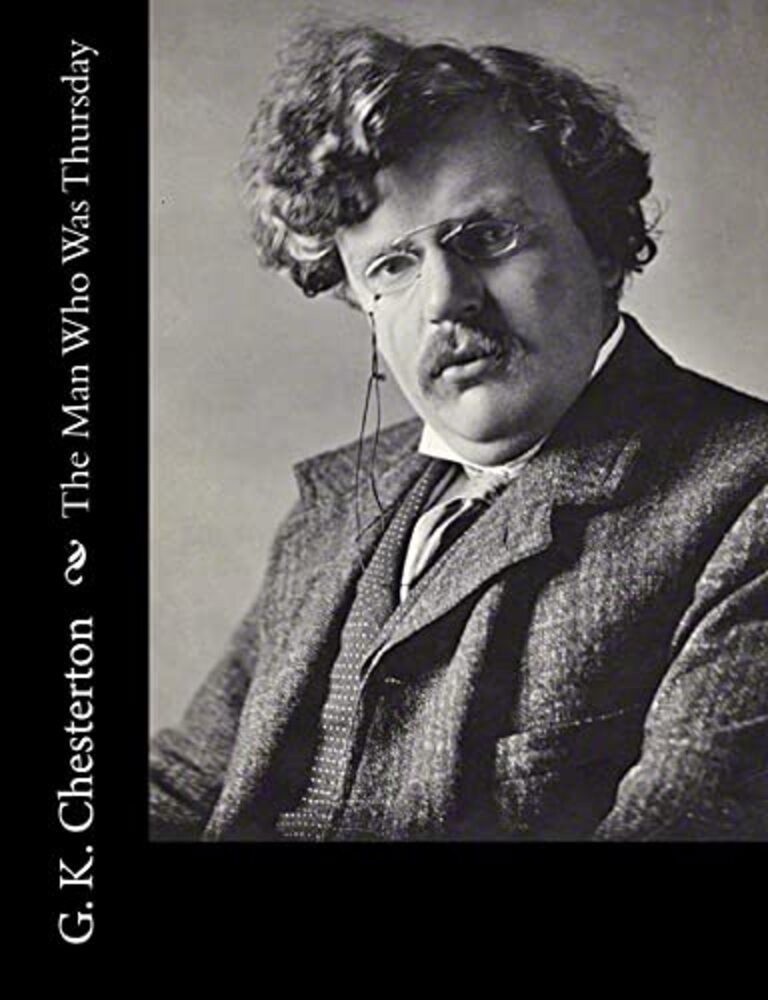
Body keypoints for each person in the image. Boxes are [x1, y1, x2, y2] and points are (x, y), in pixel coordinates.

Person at [150, 23, 767, 841]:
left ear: (603, 245)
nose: (445, 299)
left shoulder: (746, 496)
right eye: (393, 266)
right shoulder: (336, 504)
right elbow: (185, 787)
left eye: (486, 238)